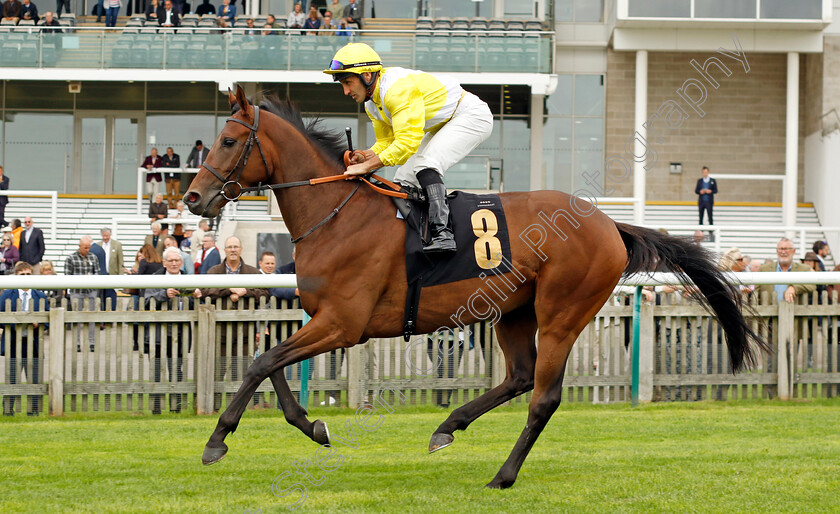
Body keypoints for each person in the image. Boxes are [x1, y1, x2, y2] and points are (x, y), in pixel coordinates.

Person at [324, 42, 493, 253]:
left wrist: (366, 168)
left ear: (367, 76)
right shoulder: (371, 103)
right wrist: (366, 156)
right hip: (441, 123)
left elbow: (406, 144)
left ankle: (444, 234)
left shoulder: (396, 90)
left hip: (470, 115)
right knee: (403, 178)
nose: (346, 91)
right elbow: (388, 142)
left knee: (426, 163)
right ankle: (415, 236)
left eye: (348, 82)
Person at [200, 235, 268, 410]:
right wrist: (228, 288)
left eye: (236, 247)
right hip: (219, 332)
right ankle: (214, 407)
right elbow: (206, 290)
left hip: (246, 332)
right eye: (229, 247)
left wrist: (246, 291)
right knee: (217, 371)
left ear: (241, 249)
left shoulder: (253, 272)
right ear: (224, 250)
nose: (232, 250)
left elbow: (265, 292)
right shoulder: (214, 271)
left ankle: (239, 408)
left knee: (243, 372)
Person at [144, 247, 201, 414]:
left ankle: (176, 407)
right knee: (156, 370)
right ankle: (156, 408)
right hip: (158, 333)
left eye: (177, 261)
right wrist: (164, 294)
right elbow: (147, 301)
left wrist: (196, 297)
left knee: (177, 370)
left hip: (181, 333)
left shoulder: (189, 279)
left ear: (181, 263)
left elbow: (193, 308)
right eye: (170, 261)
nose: (174, 263)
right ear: (164, 263)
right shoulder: (155, 279)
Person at [1, 262, 48, 416]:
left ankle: (33, 410)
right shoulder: (8, 294)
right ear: (16, 276)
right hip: (13, 342)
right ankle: (8, 409)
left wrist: (38, 323)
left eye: (28, 274)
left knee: (34, 378)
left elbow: (48, 318)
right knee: (12, 377)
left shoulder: (39, 295)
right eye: (22, 275)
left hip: (33, 342)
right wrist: (17, 324)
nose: (26, 278)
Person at [65, 236, 100, 352]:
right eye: (85, 248)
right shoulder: (71, 258)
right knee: (76, 318)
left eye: (89, 247)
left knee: (92, 317)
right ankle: (77, 342)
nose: (87, 250)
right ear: (79, 246)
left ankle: (92, 342)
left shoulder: (93, 257)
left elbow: (98, 273)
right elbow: (67, 276)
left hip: (91, 291)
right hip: (77, 291)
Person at [757, 238, 816, 304]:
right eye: (781, 249)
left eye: (786, 249)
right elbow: (755, 291)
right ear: (777, 251)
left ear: (793, 251)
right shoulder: (764, 269)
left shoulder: (803, 269)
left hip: (794, 312)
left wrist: (794, 288)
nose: (783, 252)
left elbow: (812, 285)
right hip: (769, 312)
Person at [98, 228, 123, 310]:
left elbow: (120, 262)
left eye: (107, 235)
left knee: (111, 297)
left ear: (110, 235)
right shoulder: (98, 245)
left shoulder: (117, 245)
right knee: (101, 296)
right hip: (101, 276)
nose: (105, 237)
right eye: (103, 235)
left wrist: (120, 276)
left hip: (112, 275)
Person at [695, 166, 717, 233]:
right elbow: (696, 190)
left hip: (709, 201)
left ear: (708, 172)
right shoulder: (700, 181)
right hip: (702, 201)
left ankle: (711, 231)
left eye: (706, 172)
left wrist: (710, 191)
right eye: (704, 172)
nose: (705, 173)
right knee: (701, 217)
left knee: (710, 216)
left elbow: (715, 190)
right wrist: (700, 192)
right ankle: (701, 230)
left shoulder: (712, 181)